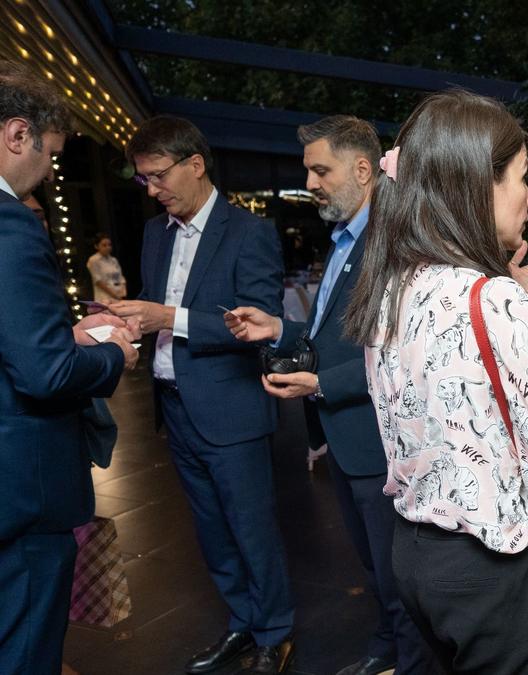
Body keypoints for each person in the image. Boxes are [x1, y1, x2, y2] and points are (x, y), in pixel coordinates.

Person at [343, 90, 528, 675]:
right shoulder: (495, 299)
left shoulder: (392, 288)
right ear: (479, 185)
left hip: (414, 555)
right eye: (521, 178)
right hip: (492, 567)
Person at [223, 115, 434, 675]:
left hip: (379, 439)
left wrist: (322, 384)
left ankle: (408, 661)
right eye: (309, 171)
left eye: (321, 171)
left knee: (397, 573)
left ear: (363, 170)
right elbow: (333, 338)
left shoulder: (394, 242)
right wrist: (279, 328)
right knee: (373, 564)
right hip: (344, 435)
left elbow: (406, 355)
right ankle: (387, 648)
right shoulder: (344, 239)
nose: (310, 183)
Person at [109, 116, 294, 675]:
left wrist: (168, 317)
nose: (153, 190)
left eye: (159, 176)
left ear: (195, 164)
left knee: (251, 529)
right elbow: (155, 304)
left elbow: (260, 323)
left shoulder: (249, 232)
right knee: (212, 532)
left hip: (231, 409)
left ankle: (275, 633)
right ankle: (242, 623)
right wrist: (126, 324)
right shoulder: (154, 233)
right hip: (175, 406)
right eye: (144, 180)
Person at [0, 61, 138, 675]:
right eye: (49, 155)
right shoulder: (9, 225)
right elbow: (45, 376)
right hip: (21, 487)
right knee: (27, 647)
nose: (48, 173)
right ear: (18, 134)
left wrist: (62, 335)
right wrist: (112, 354)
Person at [87, 232, 127, 303]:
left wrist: (122, 293)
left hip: (118, 294)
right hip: (104, 297)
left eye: (109, 245)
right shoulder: (93, 260)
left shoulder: (113, 260)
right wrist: (114, 294)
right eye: (104, 245)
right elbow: (98, 281)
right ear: (96, 246)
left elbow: (121, 278)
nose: (108, 247)